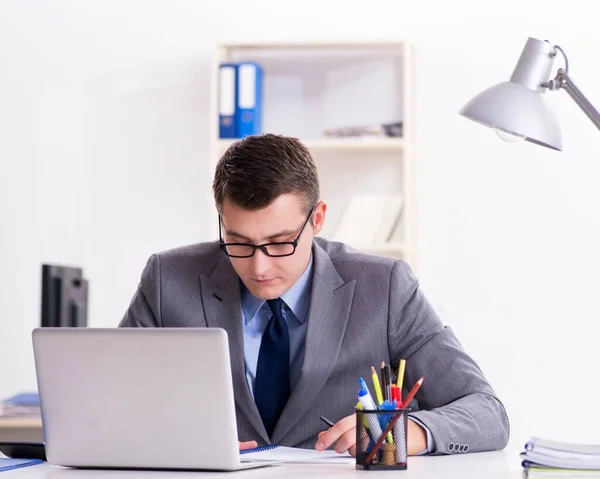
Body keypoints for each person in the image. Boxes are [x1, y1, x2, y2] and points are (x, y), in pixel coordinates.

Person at [119, 133, 509, 456]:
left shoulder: (385, 288)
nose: (259, 267)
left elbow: (488, 413)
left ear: (317, 219)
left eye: (280, 242)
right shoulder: (166, 279)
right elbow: (102, 405)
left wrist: (396, 433)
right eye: (238, 242)